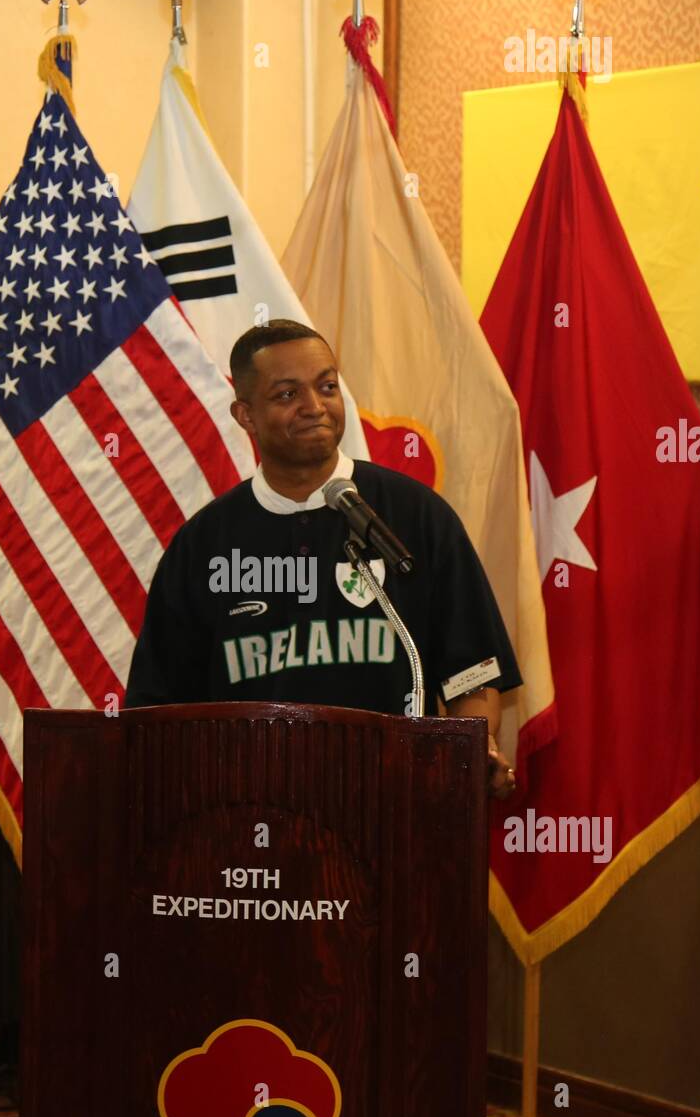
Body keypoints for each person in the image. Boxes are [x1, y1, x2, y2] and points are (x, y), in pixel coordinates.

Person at [124, 319, 519, 798]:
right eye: (288, 395)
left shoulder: (414, 516)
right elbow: (158, 712)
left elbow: (471, 676)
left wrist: (476, 749)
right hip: (247, 817)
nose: (315, 407)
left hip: (393, 804)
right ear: (245, 415)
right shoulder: (203, 546)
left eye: (327, 387)